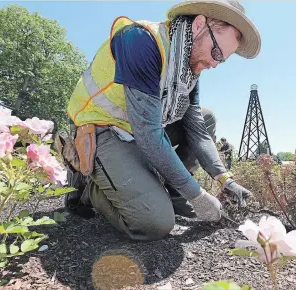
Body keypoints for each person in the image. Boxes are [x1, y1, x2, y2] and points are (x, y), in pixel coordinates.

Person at [56, 0, 260, 241]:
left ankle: (174, 196)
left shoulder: (187, 69)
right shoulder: (140, 40)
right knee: (154, 224)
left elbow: (198, 130)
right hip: (102, 128)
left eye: (222, 60)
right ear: (199, 25)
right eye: (216, 53)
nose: (215, 64)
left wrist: (226, 180)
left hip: (136, 130)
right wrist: (198, 195)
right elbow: (149, 134)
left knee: (206, 118)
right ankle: (88, 185)